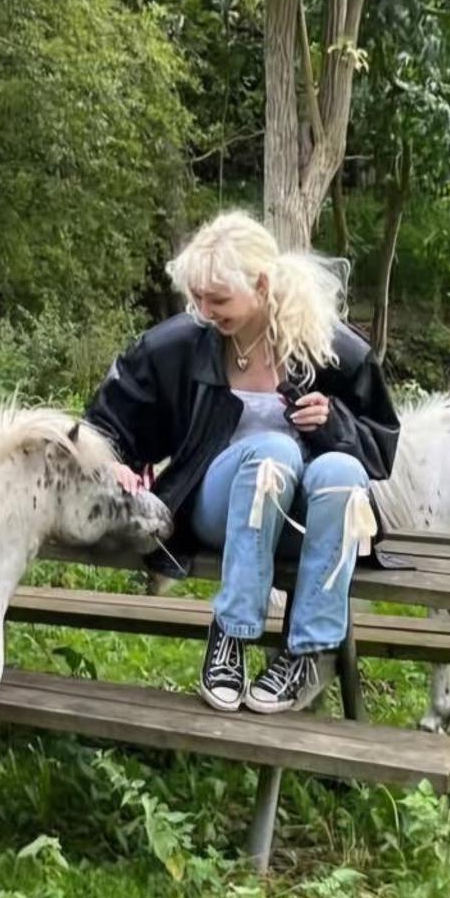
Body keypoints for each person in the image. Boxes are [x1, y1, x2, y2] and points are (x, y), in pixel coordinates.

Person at [84, 211, 400, 715]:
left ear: (261, 285)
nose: (204, 311)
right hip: (217, 511)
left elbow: (380, 449)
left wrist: (334, 422)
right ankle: (231, 633)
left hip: (308, 522)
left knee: (342, 474)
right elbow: (106, 422)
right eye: (197, 297)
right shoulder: (176, 346)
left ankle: (307, 651)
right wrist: (115, 461)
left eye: (218, 299)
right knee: (273, 453)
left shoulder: (333, 350)